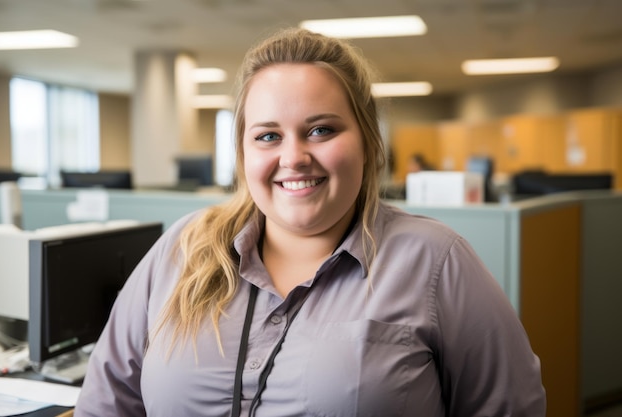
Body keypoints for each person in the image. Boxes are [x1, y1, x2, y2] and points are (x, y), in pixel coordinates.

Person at [74, 27, 546, 416]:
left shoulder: (435, 262)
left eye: (321, 130)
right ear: (243, 153)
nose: (293, 157)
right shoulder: (181, 249)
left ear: (366, 141)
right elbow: (106, 401)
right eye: (268, 136)